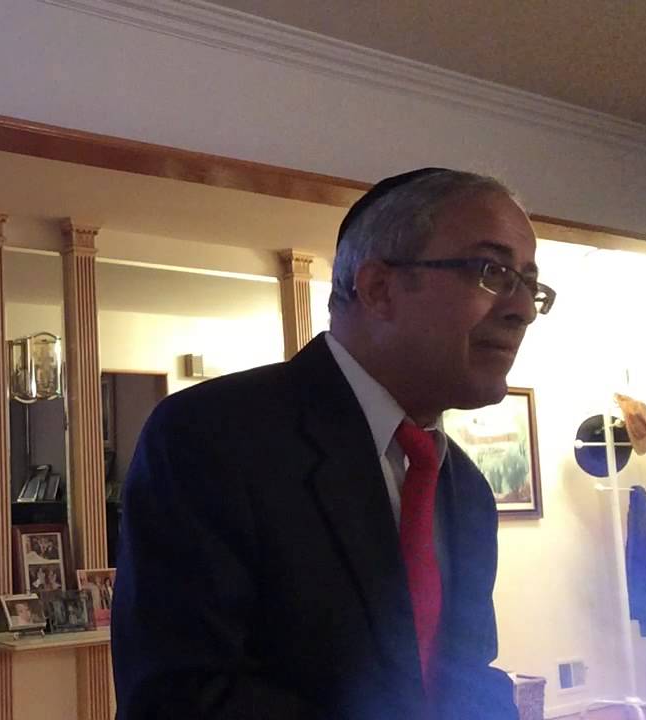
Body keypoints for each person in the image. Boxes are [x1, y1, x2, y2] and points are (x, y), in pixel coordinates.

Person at [112, 168, 554, 720]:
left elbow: (464, 674)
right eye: (492, 271)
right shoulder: (211, 435)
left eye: (529, 284)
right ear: (379, 288)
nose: (522, 309)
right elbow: (180, 698)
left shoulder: (465, 487)